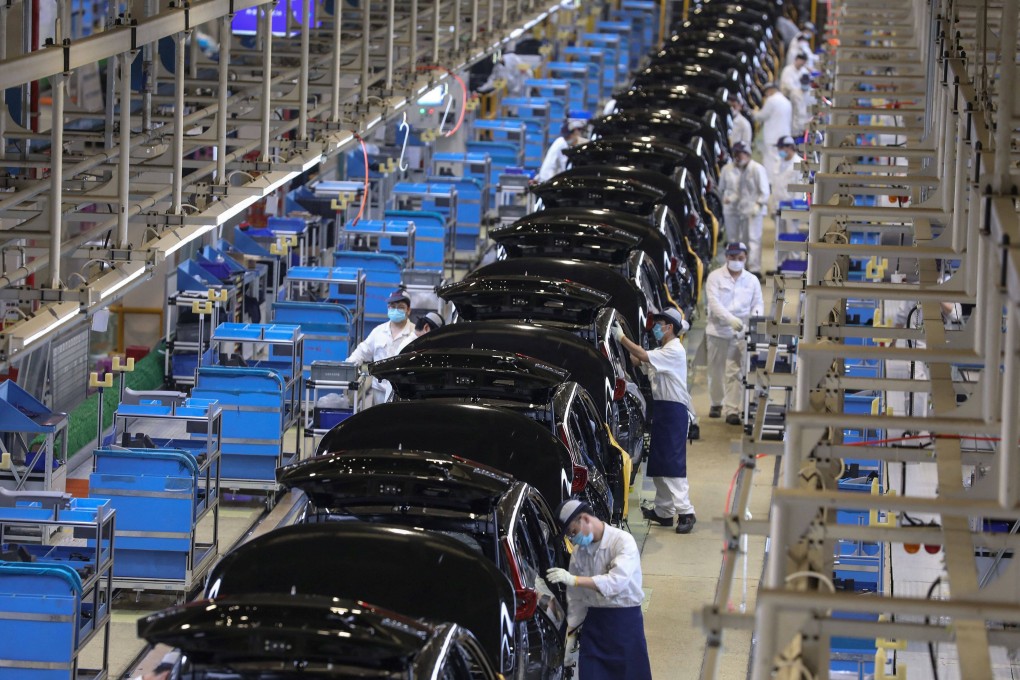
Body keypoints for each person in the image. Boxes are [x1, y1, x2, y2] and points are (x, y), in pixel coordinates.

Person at [544, 499, 652, 680]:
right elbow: (576, 600)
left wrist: (575, 579)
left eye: (573, 532)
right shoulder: (579, 552)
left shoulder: (622, 542)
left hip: (625, 624)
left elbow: (615, 583)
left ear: (584, 519)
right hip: (594, 627)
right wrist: (570, 635)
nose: (573, 538)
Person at [613, 308, 696, 534]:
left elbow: (643, 355)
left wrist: (622, 338)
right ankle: (664, 512)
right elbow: (637, 360)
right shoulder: (663, 350)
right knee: (659, 464)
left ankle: (686, 512)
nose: (656, 327)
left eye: (659, 323)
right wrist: (622, 345)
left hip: (674, 412)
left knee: (671, 464)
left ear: (670, 327)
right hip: (662, 411)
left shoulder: (674, 351)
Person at [705, 242, 765, 425]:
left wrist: (754, 319)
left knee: (735, 372)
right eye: (733, 257)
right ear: (727, 257)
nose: (736, 261)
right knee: (716, 371)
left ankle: (732, 409)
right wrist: (730, 319)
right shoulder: (715, 277)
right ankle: (716, 402)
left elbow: (758, 303)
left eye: (740, 258)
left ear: (745, 258)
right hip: (718, 331)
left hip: (741, 333)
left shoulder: (752, 280)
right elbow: (714, 303)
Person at [346, 289, 415, 406]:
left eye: (400, 307)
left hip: (404, 393)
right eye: (392, 306)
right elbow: (362, 351)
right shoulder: (378, 332)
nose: (395, 310)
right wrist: (347, 367)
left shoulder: (414, 333)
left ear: (408, 310)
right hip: (379, 391)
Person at [717, 141, 770, 276]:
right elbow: (725, 189)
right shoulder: (733, 169)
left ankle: (754, 269)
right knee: (740, 240)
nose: (738, 157)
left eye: (741, 154)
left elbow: (765, 191)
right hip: (739, 210)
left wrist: (758, 204)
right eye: (736, 154)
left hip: (754, 211)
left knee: (753, 240)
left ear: (748, 154)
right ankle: (742, 267)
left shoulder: (757, 169)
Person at [752, 82, 792, 183]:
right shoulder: (786, 101)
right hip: (785, 137)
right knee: (781, 160)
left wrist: (753, 113)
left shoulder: (771, 100)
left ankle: (770, 183)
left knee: (770, 162)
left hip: (773, 138)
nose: (766, 96)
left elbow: (762, 116)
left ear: (770, 91)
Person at [535, 118, 588, 183]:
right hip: (547, 178)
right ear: (574, 132)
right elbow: (566, 167)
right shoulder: (562, 144)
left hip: (549, 177)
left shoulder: (561, 141)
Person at [790, 72, 815, 137]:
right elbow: (791, 110)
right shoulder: (794, 94)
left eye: (806, 83)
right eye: (803, 83)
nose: (804, 85)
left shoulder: (813, 94)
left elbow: (816, 112)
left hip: (808, 126)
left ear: (809, 83)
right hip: (796, 127)